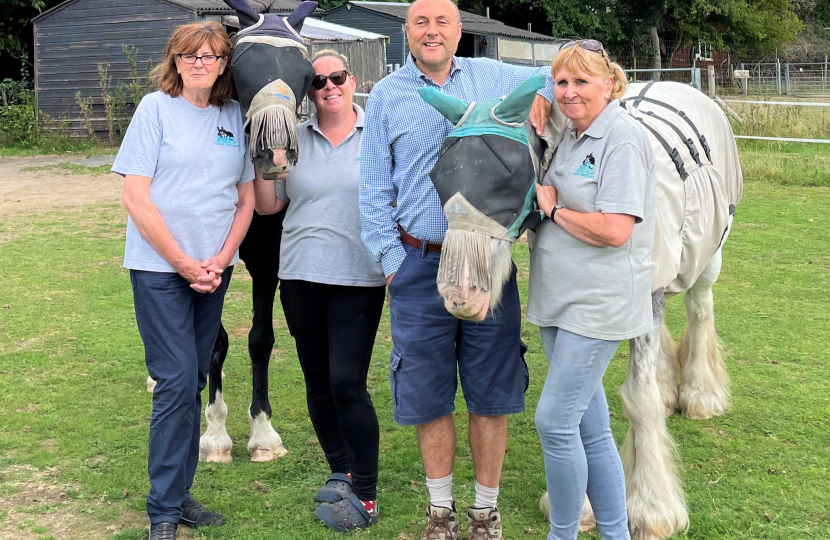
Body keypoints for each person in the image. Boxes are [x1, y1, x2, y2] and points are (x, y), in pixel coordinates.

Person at [358, 0, 554, 538]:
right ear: (407, 31)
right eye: (421, 22)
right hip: (421, 263)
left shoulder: (492, 75)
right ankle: (440, 511)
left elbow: (574, 70)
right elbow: (374, 187)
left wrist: (544, 93)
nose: (432, 31)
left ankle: (484, 513)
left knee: (491, 391)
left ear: (459, 30)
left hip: (489, 259)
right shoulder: (387, 97)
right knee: (427, 391)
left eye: (442, 21)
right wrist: (395, 263)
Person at [113, 21, 254, 540]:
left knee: (193, 379)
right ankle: (163, 512)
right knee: (175, 381)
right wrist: (182, 262)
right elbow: (136, 197)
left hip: (214, 271)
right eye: (189, 55)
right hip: (160, 271)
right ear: (174, 61)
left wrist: (219, 258)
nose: (200, 63)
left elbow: (245, 201)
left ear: (223, 66)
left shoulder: (233, 116)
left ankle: (179, 494)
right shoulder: (155, 110)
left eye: (211, 56)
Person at [252, 49, 386, 532]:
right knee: (318, 383)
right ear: (309, 90)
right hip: (300, 277)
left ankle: (366, 493)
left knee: (348, 384)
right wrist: (266, 158)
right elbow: (269, 207)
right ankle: (340, 469)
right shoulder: (297, 138)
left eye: (338, 77)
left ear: (352, 81)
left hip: (358, 278)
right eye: (319, 80)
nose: (329, 86)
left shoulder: (378, 135)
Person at [528, 40, 657, 540]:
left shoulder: (620, 138)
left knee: (554, 423)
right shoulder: (572, 135)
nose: (569, 92)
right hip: (559, 299)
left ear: (610, 84)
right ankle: (615, 533)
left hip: (597, 303)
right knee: (590, 428)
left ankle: (563, 534)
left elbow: (615, 230)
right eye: (561, 82)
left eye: (582, 82)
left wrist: (555, 210)